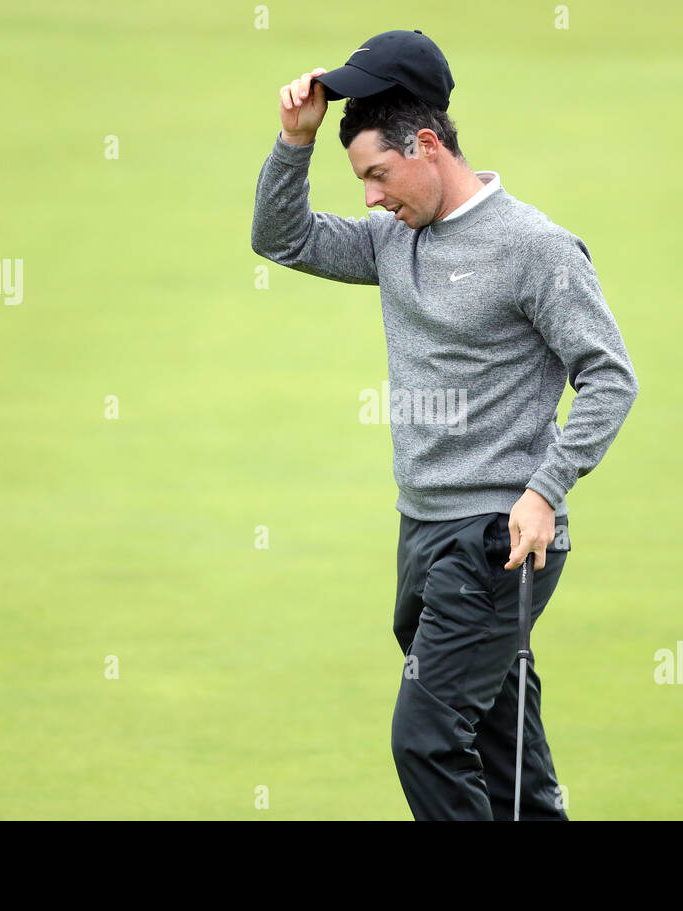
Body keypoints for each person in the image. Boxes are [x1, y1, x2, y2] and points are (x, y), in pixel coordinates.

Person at [251, 29, 638, 820]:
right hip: (422, 530)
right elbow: (281, 238)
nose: (369, 197)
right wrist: (296, 143)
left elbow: (609, 376)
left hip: (502, 536)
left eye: (378, 175)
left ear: (427, 145)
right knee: (502, 751)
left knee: (425, 736)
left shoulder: (535, 248)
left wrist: (545, 487)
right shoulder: (397, 239)